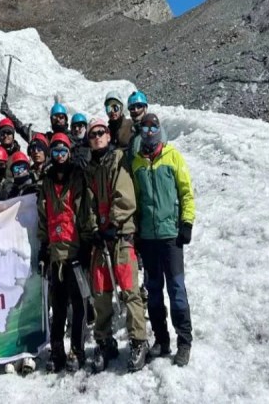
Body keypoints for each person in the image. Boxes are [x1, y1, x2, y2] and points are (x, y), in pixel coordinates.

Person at [82, 119, 148, 372]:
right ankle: (104, 340)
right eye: (92, 134)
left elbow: (125, 196)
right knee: (101, 291)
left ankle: (138, 340)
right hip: (102, 239)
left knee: (129, 290)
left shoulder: (118, 160)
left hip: (120, 236)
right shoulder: (92, 169)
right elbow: (88, 203)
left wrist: (114, 223)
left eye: (101, 133)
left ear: (108, 136)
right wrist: (95, 229)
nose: (97, 137)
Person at [131, 114, 195, 367]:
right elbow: (134, 202)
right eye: (145, 127)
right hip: (148, 238)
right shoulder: (136, 162)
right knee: (154, 293)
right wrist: (135, 232)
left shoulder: (172, 156)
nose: (148, 132)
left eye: (153, 127)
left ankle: (184, 341)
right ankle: (162, 339)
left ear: (159, 130)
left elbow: (186, 192)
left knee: (177, 290)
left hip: (171, 237)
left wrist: (186, 222)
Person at [37, 134, 89, 373]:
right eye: (55, 152)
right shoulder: (46, 182)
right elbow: (42, 217)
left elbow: (84, 213)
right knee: (57, 306)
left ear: (69, 153)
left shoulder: (77, 177)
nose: (59, 157)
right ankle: (57, 350)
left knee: (78, 304)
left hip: (74, 249)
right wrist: (43, 249)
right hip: (55, 253)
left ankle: (77, 350)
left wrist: (86, 246)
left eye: (63, 152)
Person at [1, 99, 71, 143]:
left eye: (61, 117)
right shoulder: (47, 139)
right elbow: (23, 130)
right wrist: (9, 114)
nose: (58, 120)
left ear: (66, 119)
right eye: (54, 118)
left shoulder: (73, 138)